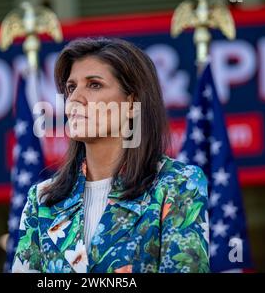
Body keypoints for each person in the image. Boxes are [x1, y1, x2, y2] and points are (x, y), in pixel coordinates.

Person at [11, 37, 209, 273]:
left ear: (131, 101)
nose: (74, 99)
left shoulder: (178, 184)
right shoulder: (41, 199)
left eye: (94, 85)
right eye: (71, 87)